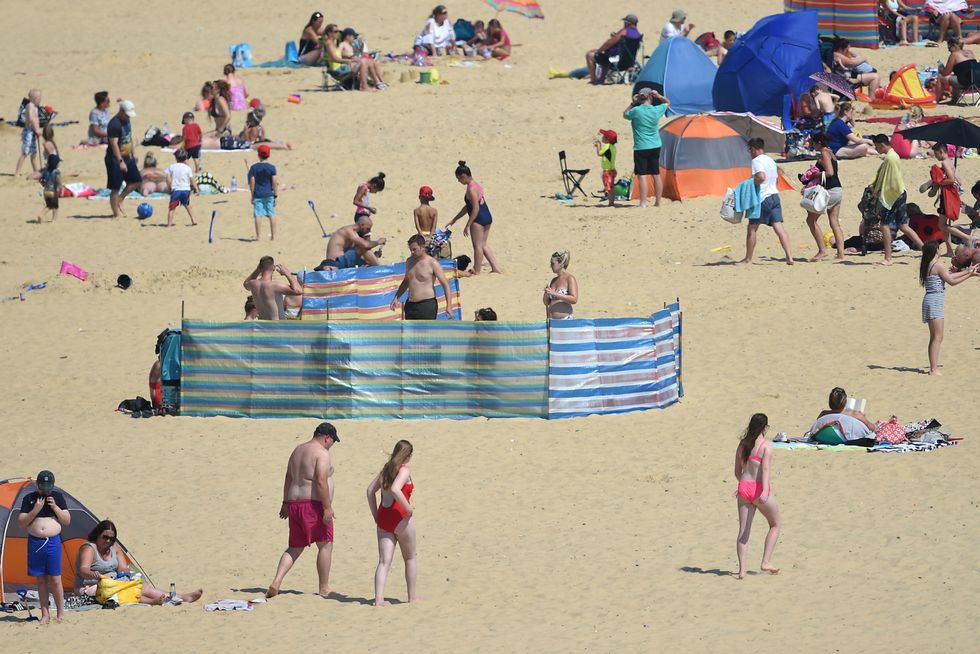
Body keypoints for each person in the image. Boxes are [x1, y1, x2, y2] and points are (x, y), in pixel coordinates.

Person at [267, 423, 339, 598]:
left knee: (294, 547)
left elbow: (289, 477)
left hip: (294, 504)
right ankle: (324, 587)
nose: (331, 445)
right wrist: (327, 507)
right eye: (332, 442)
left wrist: (285, 502)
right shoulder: (321, 453)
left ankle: (277, 580)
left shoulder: (298, 450)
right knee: (325, 544)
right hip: (312, 505)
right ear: (327, 438)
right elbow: (321, 481)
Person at [77, 519, 203, 604]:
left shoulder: (114, 548)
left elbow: (122, 568)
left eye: (111, 538)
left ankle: (178, 597)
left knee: (141, 587)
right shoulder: (89, 548)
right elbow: (84, 569)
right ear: (97, 535)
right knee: (124, 592)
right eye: (105, 537)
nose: (108, 541)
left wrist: (128, 572)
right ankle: (155, 601)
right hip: (91, 586)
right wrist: (95, 575)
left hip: (114, 583)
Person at [366, 440, 420, 607]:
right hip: (399, 517)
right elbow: (396, 489)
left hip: (383, 517)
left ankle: (379, 599)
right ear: (408, 455)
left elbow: (369, 491)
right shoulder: (403, 470)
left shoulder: (385, 469)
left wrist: (375, 515)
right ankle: (412, 597)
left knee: (384, 561)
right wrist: (409, 509)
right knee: (410, 557)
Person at [17, 470, 70, 623]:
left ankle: (60, 613)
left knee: (55, 579)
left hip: (52, 542)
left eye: (48, 487)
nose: (46, 490)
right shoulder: (29, 498)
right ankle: (45, 614)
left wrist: (55, 507)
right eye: (43, 487)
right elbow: (21, 523)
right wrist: (35, 510)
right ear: (38, 485)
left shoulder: (58, 497)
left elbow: (67, 520)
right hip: (35, 542)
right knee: (40, 579)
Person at [920, 241, 979, 375]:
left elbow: (949, 276)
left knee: (934, 337)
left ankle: (933, 366)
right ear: (936, 251)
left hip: (931, 300)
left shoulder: (929, 264)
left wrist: (968, 272)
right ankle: (933, 369)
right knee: (938, 337)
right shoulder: (938, 265)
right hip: (934, 301)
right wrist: (968, 275)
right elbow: (951, 282)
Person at [733, 415, 780, 580]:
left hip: (744, 488)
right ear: (765, 428)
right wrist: (765, 491)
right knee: (775, 524)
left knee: (743, 532)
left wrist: (742, 486)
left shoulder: (743, 444)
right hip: (759, 488)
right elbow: (765, 470)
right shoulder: (766, 446)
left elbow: (737, 472)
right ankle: (766, 561)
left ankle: (742, 571)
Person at [737, 138, 794, 266]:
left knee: (752, 228)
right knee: (779, 227)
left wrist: (752, 183)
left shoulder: (756, 161)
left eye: (750, 149)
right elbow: (776, 179)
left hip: (762, 198)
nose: (750, 152)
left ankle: (748, 259)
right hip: (774, 195)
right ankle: (789, 257)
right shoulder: (770, 160)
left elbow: (761, 177)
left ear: (754, 148)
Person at [872, 134, 924, 264]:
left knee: (884, 225)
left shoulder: (890, 158)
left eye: (876, 146)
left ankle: (888, 258)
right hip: (900, 193)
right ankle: (926, 250)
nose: (876, 149)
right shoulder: (893, 155)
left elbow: (889, 179)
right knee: (903, 225)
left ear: (882, 145)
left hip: (894, 195)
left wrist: (877, 190)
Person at [449, 161, 502, 275]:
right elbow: (468, 206)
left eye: (459, 179)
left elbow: (475, 208)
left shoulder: (470, 189)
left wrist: (468, 224)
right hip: (487, 215)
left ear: (463, 176)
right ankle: (496, 267)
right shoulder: (476, 184)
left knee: (477, 246)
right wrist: (455, 219)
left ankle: (477, 270)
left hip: (478, 219)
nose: (459, 181)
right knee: (483, 244)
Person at [623, 88, 670, 208]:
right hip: (655, 145)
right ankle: (658, 202)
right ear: (650, 97)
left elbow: (625, 115)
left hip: (641, 147)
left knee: (642, 175)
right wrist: (658, 95)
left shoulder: (636, 110)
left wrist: (633, 103)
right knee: (656, 174)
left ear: (640, 98)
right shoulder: (656, 110)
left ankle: (643, 203)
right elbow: (667, 102)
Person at [390, 235, 454, 319]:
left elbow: (445, 285)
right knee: (410, 332)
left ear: (422, 247)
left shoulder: (432, 263)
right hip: (410, 305)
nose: (412, 252)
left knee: (426, 332)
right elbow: (406, 281)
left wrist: (449, 306)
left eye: (414, 249)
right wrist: (396, 297)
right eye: (410, 250)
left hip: (427, 304)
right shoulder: (409, 261)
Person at [804, 132, 845, 260]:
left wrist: (815, 175)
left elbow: (829, 172)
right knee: (834, 222)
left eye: (813, 143)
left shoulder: (824, 153)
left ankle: (822, 250)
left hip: (830, 191)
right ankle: (840, 254)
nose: (812, 145)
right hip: (837, 190)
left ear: (819, 143)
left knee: (811, 220)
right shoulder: (830, 152)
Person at [929, 142, 970, 254]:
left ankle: (966, 237)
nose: (936, 156)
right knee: (944, 225)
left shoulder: (944, 163)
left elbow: (951, 179)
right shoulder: (950, 162)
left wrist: (939, 182)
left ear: (941, 152)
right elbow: (958, 180)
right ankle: (949, 251)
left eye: (936, 154)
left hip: (946, 196)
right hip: (950, 195)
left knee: (942, 225)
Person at [105, 100, 142, 218]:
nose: (128, 117)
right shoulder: (114, 124)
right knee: (115, 187)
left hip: (127, 156)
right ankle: (116, 214)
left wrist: (133, 153)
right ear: (121, 111)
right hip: (114, 159)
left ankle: (120, 199)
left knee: (137, 180)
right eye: (126, 114)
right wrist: (120, 161)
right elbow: (114, 144)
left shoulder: (127, 120)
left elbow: (129, 137)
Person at [809, 387, 877, 445]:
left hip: (823, 438)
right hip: (846, 438)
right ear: (845, 402)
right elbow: (872, 428)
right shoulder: (855, 414)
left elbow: (816, 427)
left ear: (830, 402)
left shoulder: (823, 414)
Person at [586, 14, 642, 84]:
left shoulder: (624, 31)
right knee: (605, 55)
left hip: (618, 62)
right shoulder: (638, 35)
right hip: (630, 62)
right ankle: (601, 79)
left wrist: (599, 50)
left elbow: (609, 43)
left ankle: (593, 80)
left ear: (628, 23)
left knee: (589, 55)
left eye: (625, 22)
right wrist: (617, 36)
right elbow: (625, 46)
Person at [315, 220, 386, 270]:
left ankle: (378, 268)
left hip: (343, 262)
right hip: (336, 262)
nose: (368, 231)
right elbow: (365, 245)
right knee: (362, 247)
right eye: (367, 229)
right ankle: (381, 270)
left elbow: (359, 253)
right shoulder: (349, 231)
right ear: (361, 225)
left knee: (364, 255)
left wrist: (374, 256)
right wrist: (378, 242)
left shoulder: (354, 236)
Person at [248, 144, 278, 240]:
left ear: (258, 155)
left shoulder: (254, 168)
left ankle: (258, 236)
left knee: (258, 215)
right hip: (269, 194)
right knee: (271, 214)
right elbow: (274, 182)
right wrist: (276, 195)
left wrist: (252, 195)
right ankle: (274, 235)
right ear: (268, 155)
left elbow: (252, 181)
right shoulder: (272, 168)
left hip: (258, 194)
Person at [165, 149, 198, 227]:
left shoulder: (172, 167)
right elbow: (192, 180)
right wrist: (196, 189)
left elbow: (167, 178)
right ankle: (194, 220)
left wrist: (169, 187)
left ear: (176, 158)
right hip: (186, 190)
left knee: (172, 208)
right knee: (187, 205)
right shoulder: (188, 168)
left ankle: (169, 224)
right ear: (185, 158)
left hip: (176, 190)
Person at [940, 38, 979, 105]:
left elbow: (946, 73)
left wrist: (941, 69)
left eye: (949, 48)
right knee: (955, 77)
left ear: (954, 46)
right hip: (977, 82)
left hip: (966, 83)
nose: (948, 50)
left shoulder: (954, 54)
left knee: (940, 78)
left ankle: (936, 101)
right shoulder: (970, 52)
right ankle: (953, 101)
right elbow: (967, 68)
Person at [543, 250, 578, 320]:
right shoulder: (554, 280)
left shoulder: (570, 278)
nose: (551, 266)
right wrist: (546, 294)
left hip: (565, 321)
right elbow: (546, 302)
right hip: (552, 322)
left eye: (552, 263)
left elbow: (574, 299)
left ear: (561, 264)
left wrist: (554, 293)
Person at [15, 89, 42, 176]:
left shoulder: (36, 107)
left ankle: (36, 171)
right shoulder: (30, 106)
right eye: (39, 98)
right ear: (34, 98)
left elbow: (37, 119)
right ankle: (17, 172)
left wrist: (38, 130)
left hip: (33, 132)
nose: (40, 100)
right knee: (25, 152)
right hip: (28, 132)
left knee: (34, 153)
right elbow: (31, 118)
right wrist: (36, 128)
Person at [595, 129, 618, 207]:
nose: (602, 137)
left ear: (607, 138)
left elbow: (599, 153)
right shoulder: (613, 147)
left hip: (608, 171)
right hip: (612, 169)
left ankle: (611, 203)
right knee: (611, 187)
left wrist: (598, 146)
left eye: (603, 136)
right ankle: (611, 202)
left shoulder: (607, 146)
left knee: (609, 188)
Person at [37, 153, 61, 224]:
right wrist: (61, 187)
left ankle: (53, 219)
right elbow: (59, 182)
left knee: (51, 204)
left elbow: (41, 180)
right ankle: (45, 216)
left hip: (45, 191)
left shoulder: (45, 171)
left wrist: (43, 184)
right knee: (53, 206)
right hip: (53, 191)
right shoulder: (57, 172)